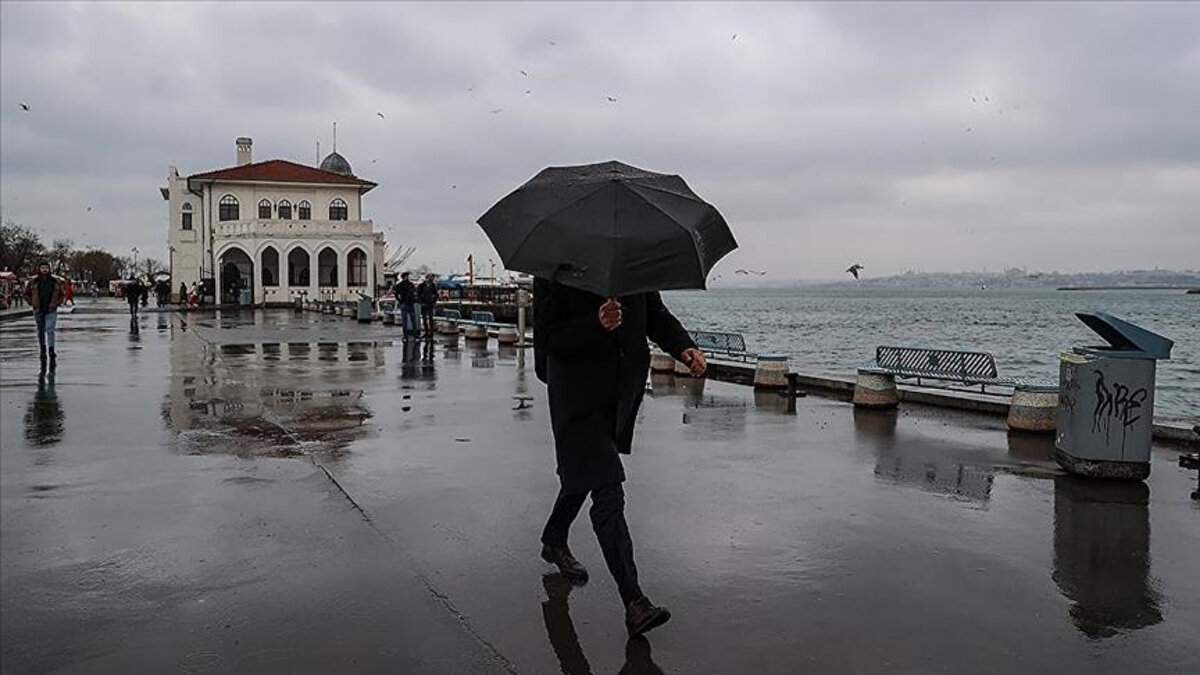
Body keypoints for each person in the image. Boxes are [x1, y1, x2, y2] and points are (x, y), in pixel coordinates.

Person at [533, 276, 707, 636]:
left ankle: (554, 539)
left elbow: (654, 313)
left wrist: (684, 347)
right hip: (576, 398)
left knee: (586, 472)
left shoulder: (632, 261)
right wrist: (595, 323)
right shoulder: (555, 267)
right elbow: (548, 339)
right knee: (607, 489)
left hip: (617, 398)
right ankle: (634, 602)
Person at [23, 261, 66, 370]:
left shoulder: (55, 281)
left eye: (46, 268)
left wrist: (57, 303)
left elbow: (62, 294)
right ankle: (43, 349)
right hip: (38, 309)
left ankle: (51, 350)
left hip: (51, 309)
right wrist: (32, 303)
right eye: (42, 268)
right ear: (39, 269)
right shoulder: (33, 282)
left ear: (49, 269)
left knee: (50, 329)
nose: (44, 270)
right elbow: (26, 294)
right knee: (40, 330)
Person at [394, 271, 418, 338]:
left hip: (406, 303)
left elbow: (396, 294)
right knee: (411, 319)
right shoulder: (410, 285)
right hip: (407, 303)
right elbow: (414, 293)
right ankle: (413, 334)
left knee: (407, 320)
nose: (407, 277)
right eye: (406, 276)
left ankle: (407, 334)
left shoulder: (400, 285)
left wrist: (400, 301)